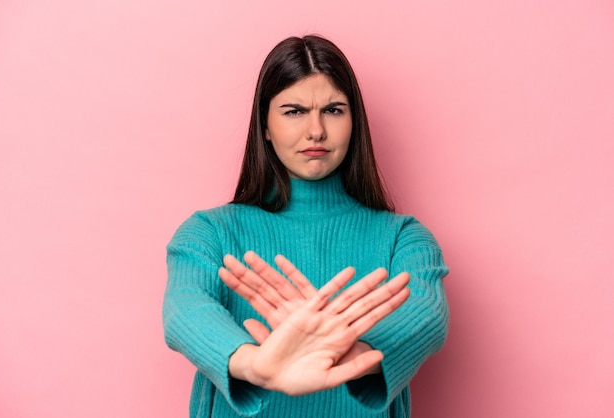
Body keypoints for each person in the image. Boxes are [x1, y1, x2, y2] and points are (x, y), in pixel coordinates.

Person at [163, 35, 449, 418]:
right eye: (294, 111)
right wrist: (257, 364)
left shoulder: (403, 237)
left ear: (354, 122)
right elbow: (185, 310)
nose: (316, 130)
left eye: (333, 110)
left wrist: (343, 352)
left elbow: (427, 313)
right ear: (265, 126)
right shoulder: (209, 232)